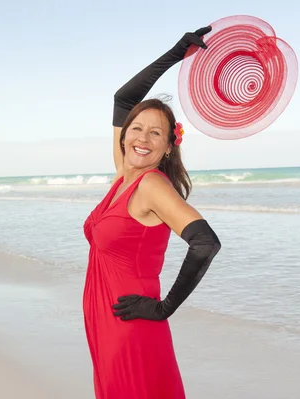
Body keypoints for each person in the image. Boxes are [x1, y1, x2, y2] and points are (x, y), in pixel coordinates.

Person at [82, 26, 222, 399]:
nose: (143, 138)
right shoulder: (123, 178)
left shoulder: (151, 185)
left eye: (156, 134)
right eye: (138, 129)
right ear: (124, 136)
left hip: (132, 327)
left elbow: (205, 243)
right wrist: (177, 53)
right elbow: (123, 98)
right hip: (107, 327)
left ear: (167, 148)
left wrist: (164, 308)